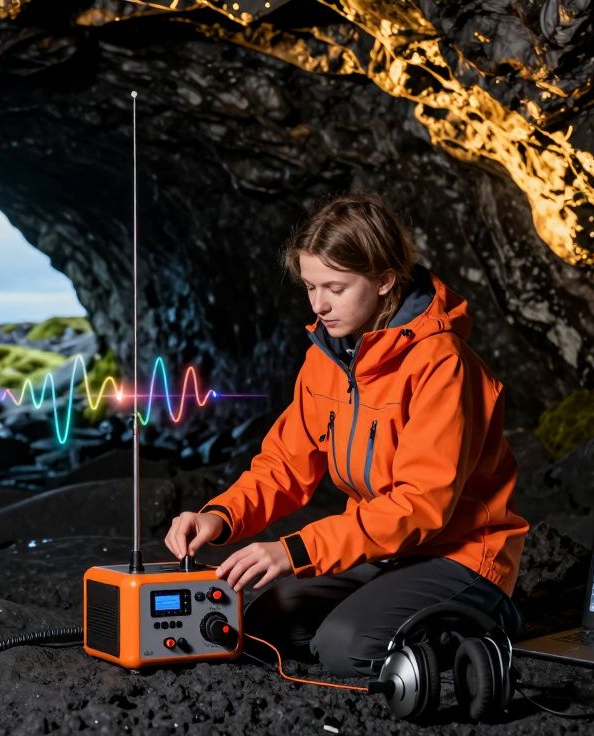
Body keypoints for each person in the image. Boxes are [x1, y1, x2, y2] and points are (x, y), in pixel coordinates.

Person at [164, 190, 530, 678]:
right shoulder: (327, 358)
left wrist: (295, 550)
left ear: (384, 281)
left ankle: (490, 618)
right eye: (311, 287)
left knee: (346, 647)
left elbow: (421, 505)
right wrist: (220, 516)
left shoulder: (443, 365)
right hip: (380, 549)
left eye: (335, 288)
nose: (320, 304)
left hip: (460, 554)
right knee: (261, 623)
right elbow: (285, 466)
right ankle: (384, 611)